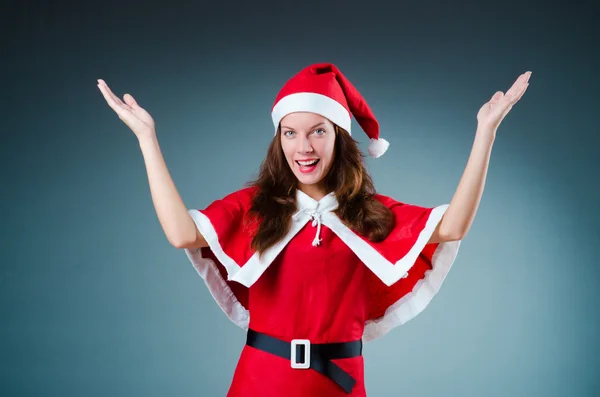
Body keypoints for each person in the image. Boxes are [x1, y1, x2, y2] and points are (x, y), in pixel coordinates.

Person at [97, 63, 531, 396]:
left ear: (339, 137)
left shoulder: (368, 212)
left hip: (338, 385)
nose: (302, 147)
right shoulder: (255, 206)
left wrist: (485, 131)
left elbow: (453, 225)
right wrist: (146, 138)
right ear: (279, 138)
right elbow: (180, 232)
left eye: (317, 132)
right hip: (259, 383)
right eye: (290, 133)